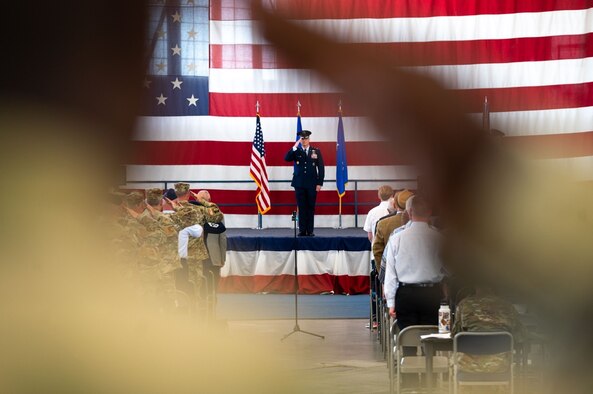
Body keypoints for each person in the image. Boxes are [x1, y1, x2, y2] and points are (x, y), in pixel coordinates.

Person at [384, 196, 446, 330]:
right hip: (431, 294)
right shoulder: (439, 239)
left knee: (407, 336)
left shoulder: (396, 239)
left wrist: (391, 302)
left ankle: (407, 351)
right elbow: (449, 270)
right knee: (431, 337)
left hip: (406, 295)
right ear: (429, 212)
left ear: (410, 212)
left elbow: (390, 274)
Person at [452, 285, 527, 373]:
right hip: (500, 365)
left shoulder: (464, 305)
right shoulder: (507, 306)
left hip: (468, 365)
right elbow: (520, 335)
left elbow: (456, 335)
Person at [284, 129, 325, 236]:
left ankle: (310, 230)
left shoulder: (315, 151)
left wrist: (319, 183)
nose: (304, 141)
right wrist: (294, 147)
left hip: (312, 184)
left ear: (309, 139)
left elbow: (321, 168)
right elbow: (286, 158)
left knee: (310, 207)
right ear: (300, 140)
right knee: (301, 207)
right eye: (302, 139)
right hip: (299, 184)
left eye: (306, 138)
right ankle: (302, 230)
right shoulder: (296, 151)